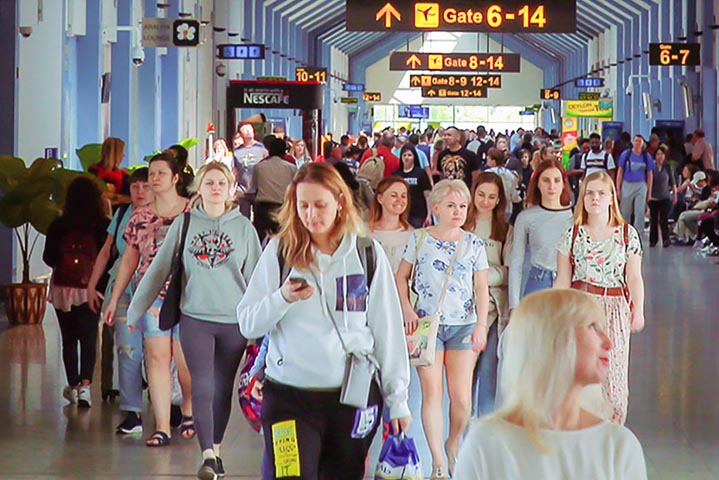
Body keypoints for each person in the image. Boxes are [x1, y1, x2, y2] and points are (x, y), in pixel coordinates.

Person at [237, 162, 412, 480]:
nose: (310, 214)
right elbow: (248, 323)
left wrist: (397, 399)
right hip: (288, 400)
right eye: (303, 205)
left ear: (340, 203)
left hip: (352, 400)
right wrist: (283, 298)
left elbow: (387, 330)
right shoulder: (281, 251)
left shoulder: (366, 253)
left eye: (320, 205)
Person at [128, 162, 261, 479]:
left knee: (222, 387)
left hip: (234, 323)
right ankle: (207, 455)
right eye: (209, 182)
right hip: (195, 318)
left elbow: (258, 280)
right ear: (199, 188)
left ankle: (216, 448)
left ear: (231, 190)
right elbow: (159, 269)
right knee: (202, 383)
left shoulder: (244, 228)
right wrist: (136, 311)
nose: (216, 188)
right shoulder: (184, 224)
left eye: (221, 183)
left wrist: (263, 326)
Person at [454, 289, 647, 479]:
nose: (608, 342)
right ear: (553, 338)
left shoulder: (618, 446)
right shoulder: (486, 445)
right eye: (592, 327)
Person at [396, 179, 490, 479]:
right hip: (427, 325)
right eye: (451, 206)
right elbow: (401, 278)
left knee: (461, 399)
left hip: (463, 325)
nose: (458, 211)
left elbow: (482, 288)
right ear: (436, 208)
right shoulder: (419, 238)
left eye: (463, 206)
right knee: (432, 393)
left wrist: (481, 325)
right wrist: (407, 309)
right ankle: (437, 459)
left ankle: (453, 442)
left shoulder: (474, 244)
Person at [103, 152, 193, 447]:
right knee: (156, 359)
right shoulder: (140, 215)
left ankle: (190, 411)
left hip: (186, 296)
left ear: (175, 178)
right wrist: (115, 298)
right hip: (151, 295)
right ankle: (163, 426)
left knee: (185, 362)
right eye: (151, 174)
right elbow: (129, 258)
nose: (154, 179)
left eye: (160, 174)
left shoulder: (192, 212)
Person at [555, 171, 645, 424]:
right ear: (582, 198)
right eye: (590, 193)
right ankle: (582, 443)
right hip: (581, 308)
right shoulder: (572, 235)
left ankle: (612, 437)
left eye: (601, 193)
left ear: (611, 198)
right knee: (582, 378)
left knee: (615, 384)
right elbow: (562, 279)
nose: (595, 198)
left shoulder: (627, 234)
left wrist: (638, 309)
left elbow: (634, 277)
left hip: (615, 307)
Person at [86, 168, 153, 431]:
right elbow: (106, 251)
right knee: (127, 347)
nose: (139, 192)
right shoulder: (123, 214)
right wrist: (93, 285)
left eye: (145, 186)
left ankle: (170, 405)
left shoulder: (167, 215)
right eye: (135, 187)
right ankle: (132, 411)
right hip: (123, 287)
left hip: (155, 288)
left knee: (159, 351)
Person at [43, 176, 110, 408]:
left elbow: (48, 257)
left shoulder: (59, 224)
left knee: (69, 339)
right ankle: (85, 387)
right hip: (90, 288)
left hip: (63, 289)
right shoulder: (102, 225)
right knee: (89, 338)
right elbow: (108, 259)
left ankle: (72, 386)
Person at [464, 173, 513, 416]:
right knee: (463, 374)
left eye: (492, 197)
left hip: (494, 307)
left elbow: (509, 271)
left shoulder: (505, 230)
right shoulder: (461, 224)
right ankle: (460, 433)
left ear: (499, 200)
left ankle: (484, 425)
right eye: (481, 194)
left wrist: (482, 277)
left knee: (489, 369)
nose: (485, 201)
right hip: (462, 309)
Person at [508, 159, 573, 310]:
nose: (552, 186)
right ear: (537, 183)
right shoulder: (526, 217)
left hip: (569, 283)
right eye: (546, 180)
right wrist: (514, 305)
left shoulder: (575, 216)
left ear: (563, 183)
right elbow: (516, 262)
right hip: (538, 282)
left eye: (557, 180)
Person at [252, 137, 298, 243]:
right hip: (283, 206)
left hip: (263, 207)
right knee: (283, 239)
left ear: (269, 151)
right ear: (284, 152)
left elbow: (254, 187)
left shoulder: (259, 167)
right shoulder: (292, 168)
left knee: (260, 238)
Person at [368, 177, 413, 273]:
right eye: (394, 195)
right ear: (380, 198)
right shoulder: (363, 233)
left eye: (403, 196)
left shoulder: (412, 235)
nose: (399, 200)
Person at [616, 135, 654, 236]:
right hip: (627, 184)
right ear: (632, 142)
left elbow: (650, 175)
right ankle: (624, 234)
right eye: (636, 141)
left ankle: (637, 235)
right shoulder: (626, 155)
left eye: (639, 141)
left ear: (643, 144)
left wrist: (649, 192)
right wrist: (618, 189)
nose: (637, 143)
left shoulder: (647, 157)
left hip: (641, 185)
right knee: (625, 211)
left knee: (640, 212)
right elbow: (620, 171)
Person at [234, 123, 269, 217]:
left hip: (259, 190)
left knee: (260, 219)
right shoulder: (237, 152)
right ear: (241, 135)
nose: (248, 131)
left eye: (250, 129)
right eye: (245, 130)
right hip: (243, 190)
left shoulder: (262, 149)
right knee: (244, 217)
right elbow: (234, 171)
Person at [393, 144, 432, 228]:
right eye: (404, 155)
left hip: (418, 214)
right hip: (400, 213)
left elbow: (428, 195)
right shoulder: (396, 174)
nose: (406, 158)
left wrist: (429, 214)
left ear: (414, 157)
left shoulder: (421, 173)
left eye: (409, 155)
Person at [648, 145, 676, 247]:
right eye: (658, 154)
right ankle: (653, 240)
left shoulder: (668, 167)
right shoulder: (651, 168)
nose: (660, 156)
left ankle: (666, 239)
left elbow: (672, 182)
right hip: (654, 197)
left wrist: (675, 194)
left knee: (664, 219)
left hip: (665, 197)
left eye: (662, 154)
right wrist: (649, 195)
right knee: (654, 219)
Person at [89, 137, 130, 207]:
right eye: (121, 152)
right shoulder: (94, 173)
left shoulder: (124, 176)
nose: (123, 155)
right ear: (114, 154)